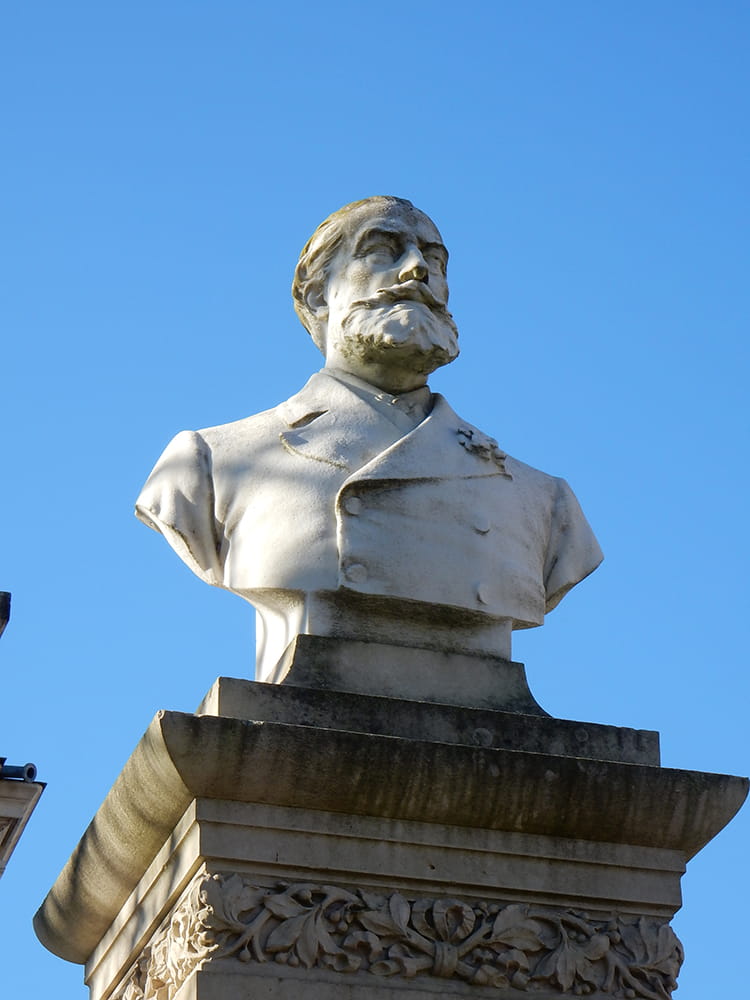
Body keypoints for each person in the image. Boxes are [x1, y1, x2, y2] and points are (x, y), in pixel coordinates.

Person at [136, 197, 602, 680]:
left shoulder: (544, 501)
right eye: (383, 250)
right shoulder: (211, 461)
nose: (417, 270)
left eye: (434, 259)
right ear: (318, 295)